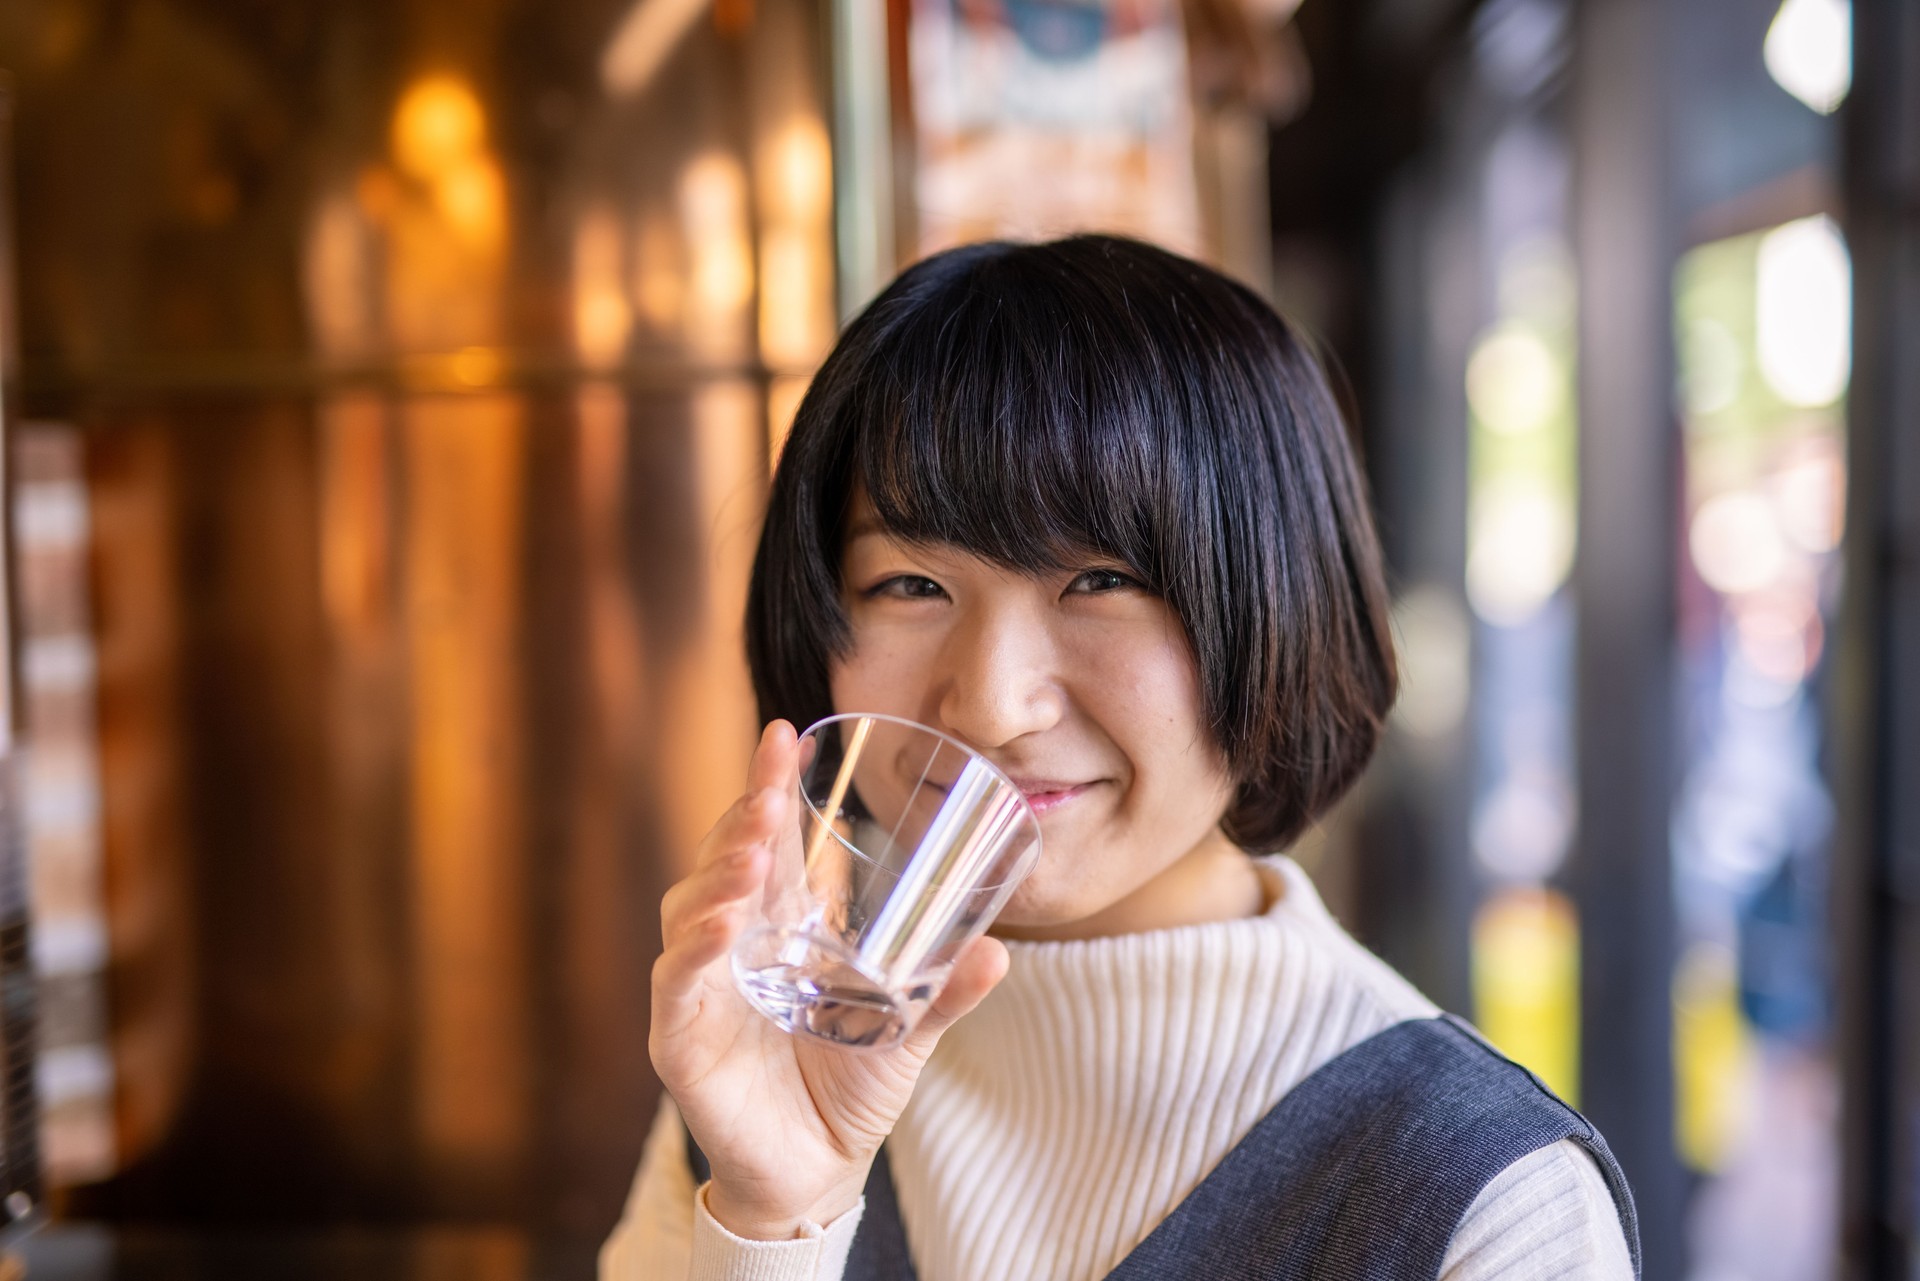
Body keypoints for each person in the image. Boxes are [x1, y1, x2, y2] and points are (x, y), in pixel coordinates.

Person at [601, 236, 1638, 1281]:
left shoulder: (1485, 1200)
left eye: (1100, 579)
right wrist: (773, 1221)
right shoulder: (764, 1059)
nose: (997, 707)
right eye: (910, 587)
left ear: (1277, 604)